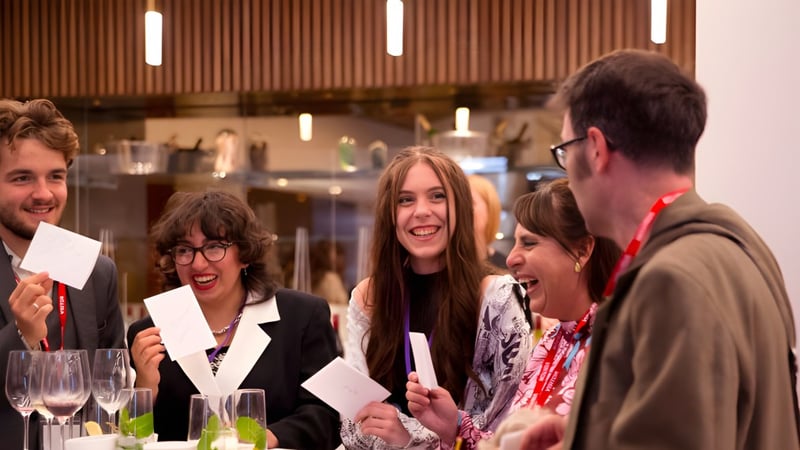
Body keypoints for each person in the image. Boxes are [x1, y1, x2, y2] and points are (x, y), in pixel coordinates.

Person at [521, 49, 799, 449]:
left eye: (565, 150)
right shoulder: (736, 245)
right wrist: (587, 432)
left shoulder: (672, 278)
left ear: (596, 148)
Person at [340, 146, 532, 449]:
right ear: (390, 214)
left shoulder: (496, 298)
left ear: (460, 207)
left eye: (437, 196)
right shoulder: (369, 297)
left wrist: (409, 439)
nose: (421, 211)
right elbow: (355, 420)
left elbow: (508, 424)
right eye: (405, 200)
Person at [406, 179, 620, 449]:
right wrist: (455, 427)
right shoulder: (554, 340)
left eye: (529, 243)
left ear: (583, 249)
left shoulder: (618, 345)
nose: (511, 259)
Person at [127, 190, 341, 449]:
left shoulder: (301, 317)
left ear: (245, 253)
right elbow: (129, 439)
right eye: (184, 250)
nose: (198, 263)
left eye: (215, 247)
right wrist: (145, 388)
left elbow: (326, 417)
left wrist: (265, 437)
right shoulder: (150, 332)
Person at [0, 98, 125, 449]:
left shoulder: (97, 271)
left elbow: (109, 385)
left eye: (55, 176)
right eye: (22, 178)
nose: (43, 194)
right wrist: (21, 336)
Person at [468, 174, 507, 270]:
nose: (461, 209)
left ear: (490, 209)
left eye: (470, 202)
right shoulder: (441, 266)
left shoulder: (505, 268)